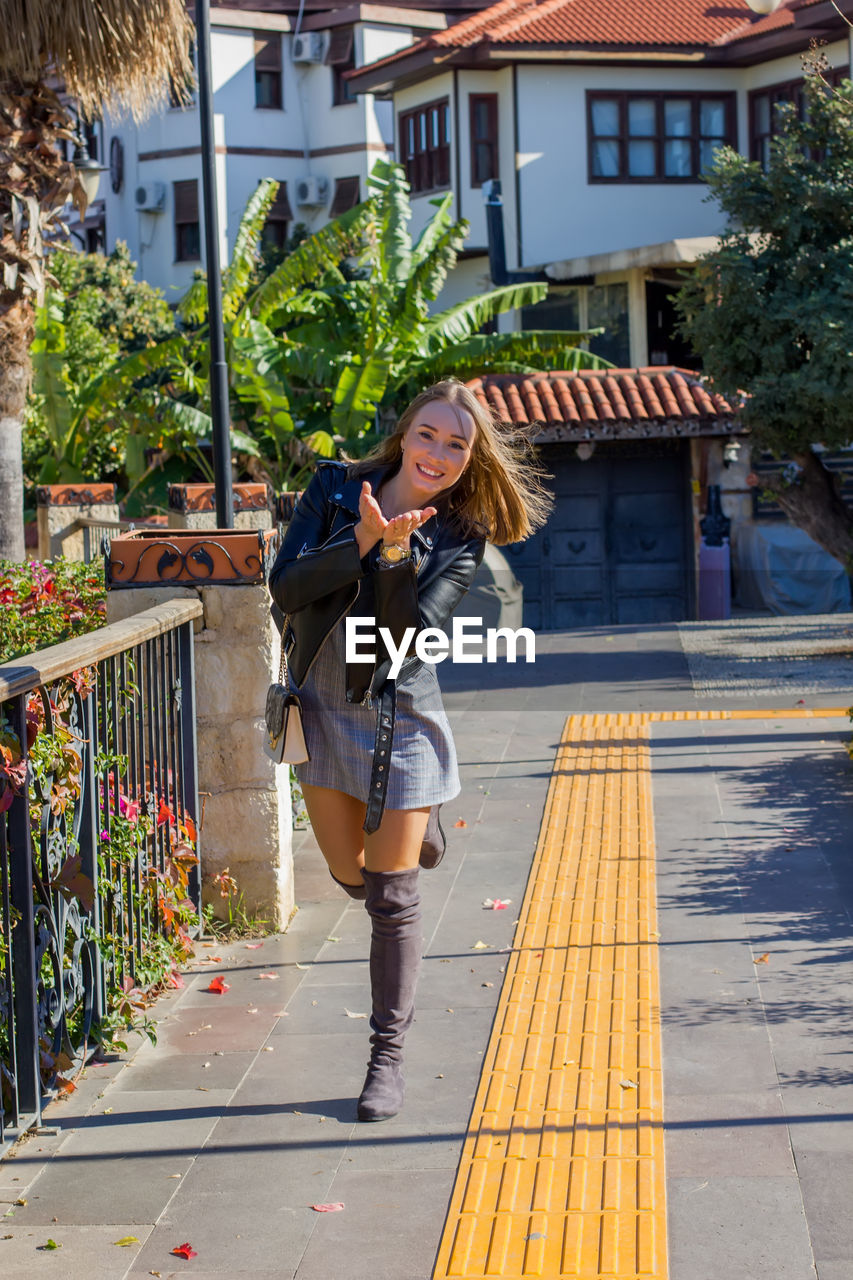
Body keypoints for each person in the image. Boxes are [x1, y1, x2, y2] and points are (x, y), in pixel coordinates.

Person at [268, 378, 551, 1122]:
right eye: (429, 434)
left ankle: (384, 1060)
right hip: (323, 707)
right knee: (344, 870)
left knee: (392, 901)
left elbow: (405, 641)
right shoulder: (333, 490)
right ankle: (408, 828)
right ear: (404, 435)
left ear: (468, 458)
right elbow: (287, 588)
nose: (438, 453)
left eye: (457, 444)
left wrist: (395, 561)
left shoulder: (460, 534)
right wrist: (362, 540)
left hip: (402, 715)